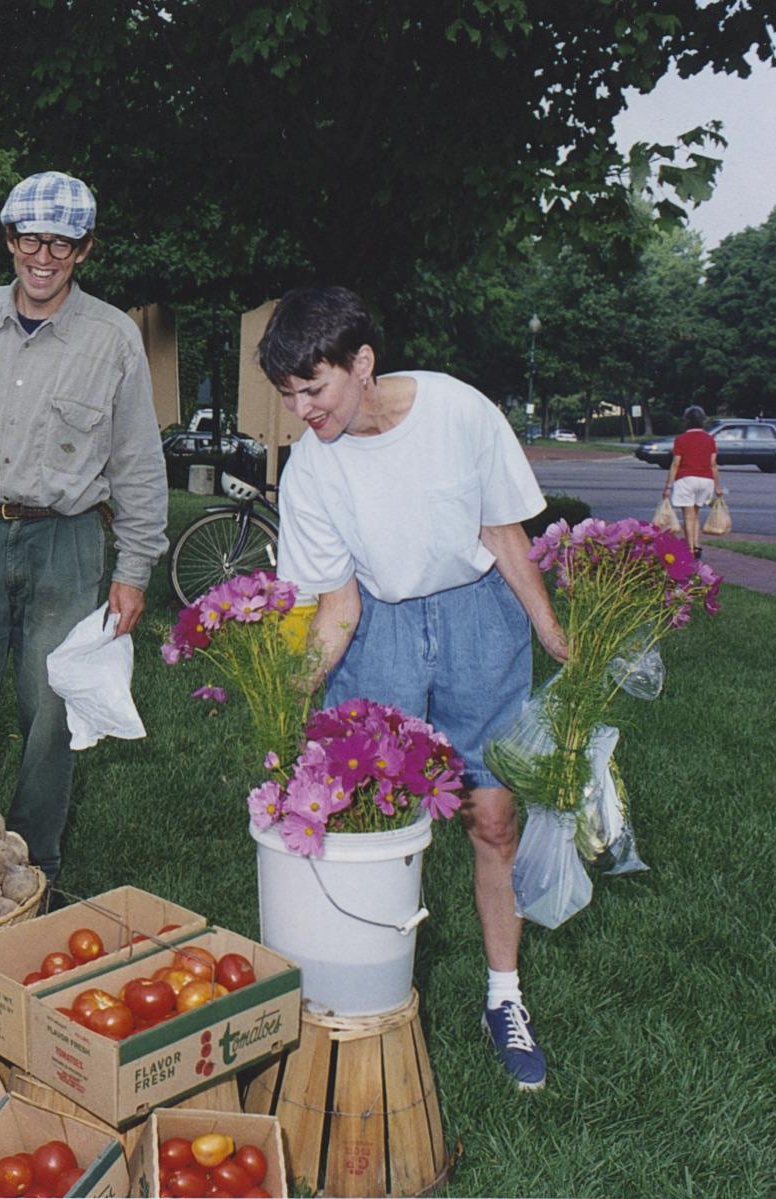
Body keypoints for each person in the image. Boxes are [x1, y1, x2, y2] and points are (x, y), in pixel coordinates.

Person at [257, 285, 568, 1091]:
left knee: (492, 817)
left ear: (361, 363)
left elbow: (502, 531)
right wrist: (287, 698)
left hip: (477, 625)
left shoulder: (459, 413)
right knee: (375, 823)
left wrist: (549, 630)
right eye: (287, 395)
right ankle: (370, 991)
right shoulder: (310, 473)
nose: (301, 411)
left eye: (312, 388)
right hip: (381, 635)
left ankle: (503, 997)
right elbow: (337, 607)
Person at [0, 170, 168, 881]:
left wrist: (133, 567)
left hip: (68, 543)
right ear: (8, 240)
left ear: (83, 248)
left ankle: (31, 865)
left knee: (51, 706)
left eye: (61, 241)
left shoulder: (112, 338)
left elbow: (139, 458)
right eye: (28, 239)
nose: (41, 256)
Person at [664, 405, 722, 558]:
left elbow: (676, 463)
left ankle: (690, 549)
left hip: (686, 479)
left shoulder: (681, 439)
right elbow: (713, 464)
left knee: (688, 516)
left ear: (686, 421)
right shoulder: (710, 440)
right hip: (706, 480)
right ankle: (697, 546)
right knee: (696, 514)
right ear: (703, 421)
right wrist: (717, 486)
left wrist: (668, 486)